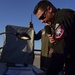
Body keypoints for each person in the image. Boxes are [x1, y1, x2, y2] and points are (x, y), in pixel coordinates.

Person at [31, 0, 75, 75]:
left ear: (49, 9)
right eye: (40, 19)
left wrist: (48, 73)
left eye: (42, 17)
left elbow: (59, 52)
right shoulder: (56, 23)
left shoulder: (62, 18)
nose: (41, 21)